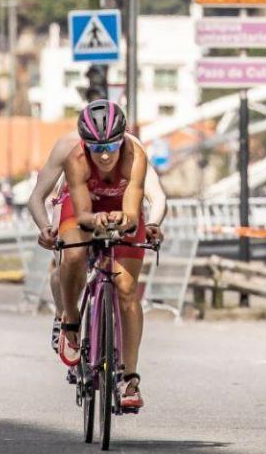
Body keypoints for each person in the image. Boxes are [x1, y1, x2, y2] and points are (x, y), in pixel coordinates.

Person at [28, 99, 166, 410]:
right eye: (95, 147)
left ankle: (129, 378)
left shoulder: (135, 153)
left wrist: (145, 223)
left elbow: (143, 204)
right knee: (74, 257)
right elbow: (42, 199)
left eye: (111, 146)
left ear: (123, 138)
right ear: (83, 142)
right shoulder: (71, 152)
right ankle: (71, 321)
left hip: (120, 207)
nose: (104, 155)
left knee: (128, 290)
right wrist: (45, 228)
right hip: (80, 207)